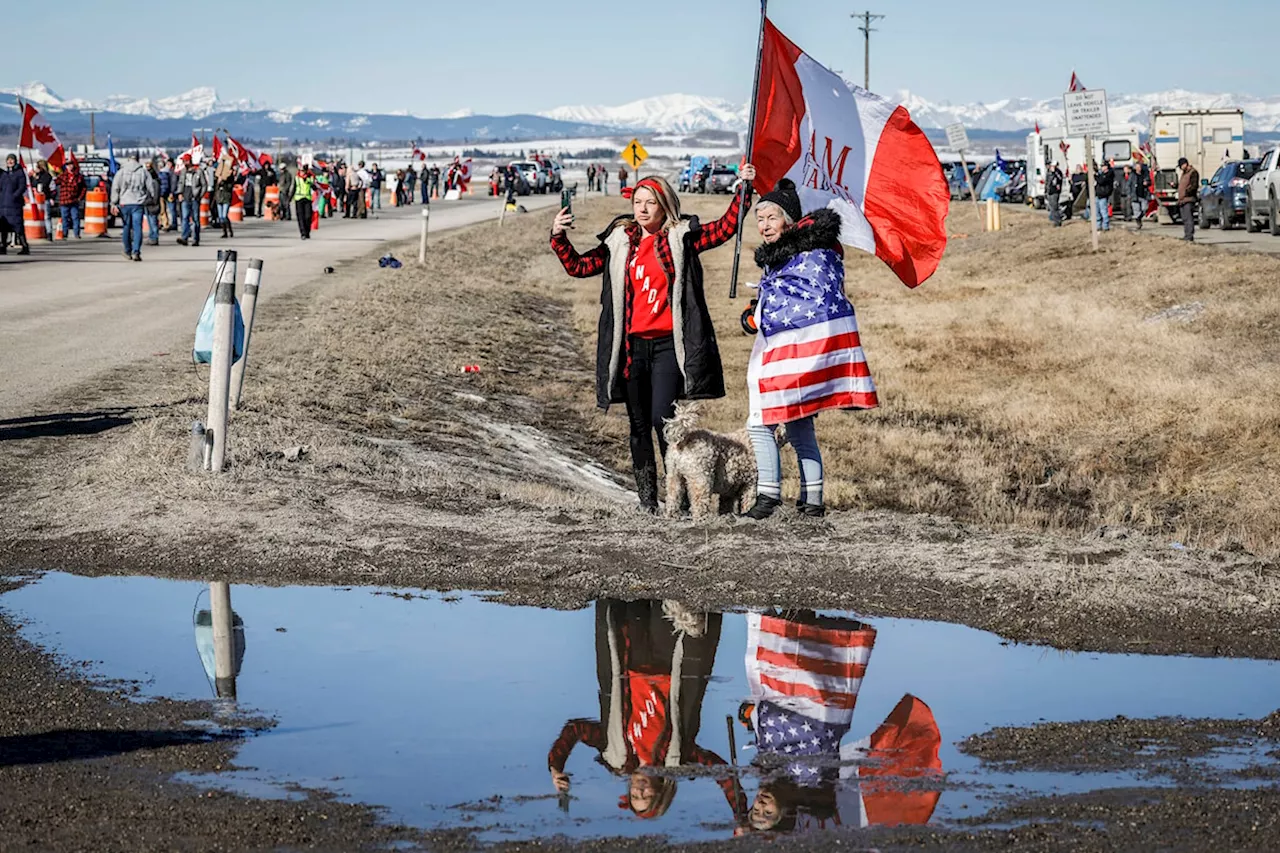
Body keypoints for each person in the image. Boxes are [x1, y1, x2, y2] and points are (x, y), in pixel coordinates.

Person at [550, 167, 755, 512]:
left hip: (666, 347)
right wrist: (558, 237)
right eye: (637, 202)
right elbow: (580, 267)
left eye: (650, 203)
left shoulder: (680, 238)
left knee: (664, 422)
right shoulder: (620, 243)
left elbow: (724, 229)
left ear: (665, 206)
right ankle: (647, 502)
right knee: (638, 425)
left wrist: (744, 192)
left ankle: (680, 499)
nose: (642, 209)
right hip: (631, 348)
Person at [740, 179, 873, 519]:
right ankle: (812, 502)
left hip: (792, 352)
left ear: (789, 219)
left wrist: (758, 315)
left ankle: (767, 497)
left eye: (772, 217)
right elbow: (784, 299)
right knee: (800, 427)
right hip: (794, 350)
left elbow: (803, 301)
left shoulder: (805, 258)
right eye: (759, 218)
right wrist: (756, 312)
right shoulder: (796, 256)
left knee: (760, 421)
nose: (765, 225)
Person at [547, 599, 744, 823]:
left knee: (633, 596)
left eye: (634, 795)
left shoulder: (614, 754)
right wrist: (740, 814)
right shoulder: (677, 760)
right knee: (668, 601)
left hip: (632, 658)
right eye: (646, 796)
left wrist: (556, 765)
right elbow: (722, 773)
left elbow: (575, 729)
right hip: (671, 663)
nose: (639, 791)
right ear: (660, 792)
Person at [110, 153, 156, 261]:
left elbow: (115, 188)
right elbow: (151, 187)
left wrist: (113, 203)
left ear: (128, 160)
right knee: (137, 228)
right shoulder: (143, 172)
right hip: (138, 203)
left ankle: (127, 250)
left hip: (124, 203)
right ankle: (136, 251)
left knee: (126, 227)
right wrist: (151, 199)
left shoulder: (121, 172)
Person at [0, 154, 30, 255]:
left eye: (12, 160)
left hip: (15, 205)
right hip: (3, 204)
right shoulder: (4, 174)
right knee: (3, 227)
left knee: (18, 226)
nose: (10, 162)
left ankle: (24, 246)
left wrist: (14, 196)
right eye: (8, 160)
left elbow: (22, 187)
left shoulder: (19, 173)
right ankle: (3, 246)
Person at [175, 154, 207, 246]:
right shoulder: (183, 171)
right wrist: (180, 193)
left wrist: (199, 195)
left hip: (194, 197)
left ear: (189, 161)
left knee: (195, 219)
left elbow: (204, 185)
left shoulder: (198, 171)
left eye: (185, 161)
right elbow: (180, 183)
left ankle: (196, 239)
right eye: (183, 161)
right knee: (185, 218)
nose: (184, 163)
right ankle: (184, 237)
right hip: (185, 197)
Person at [55, 158, 86, 239]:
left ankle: (77, 234)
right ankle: (65, 234)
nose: (70, 166)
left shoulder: (78, 176)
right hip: (64, 200)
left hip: (74, 200)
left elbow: (83, 188)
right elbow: (53, 183)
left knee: (75, 217)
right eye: (68, 165)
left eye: (71, 164)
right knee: (64, 217)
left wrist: (80, 197)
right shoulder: (62, 176)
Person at [213, 154, 236, 239]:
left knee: (224, 215)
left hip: (226, 197)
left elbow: (230, 187)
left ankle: (229, 230)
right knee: (220, 217)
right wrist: (218, 181)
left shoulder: (230, 178)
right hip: (219, 197)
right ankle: (224, 231)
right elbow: (215, 187)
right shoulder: (218, 177)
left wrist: (225, 180)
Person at [1177, 157, 1199, 241]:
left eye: (1181, 165)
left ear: (1185, 164)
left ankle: (1189, 236)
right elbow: (1182, 185)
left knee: (1189, 218)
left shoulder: (1193, 173)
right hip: (1182, 200)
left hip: (1188, 199)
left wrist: (1186, 193)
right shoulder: (1184, 174)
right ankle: (1186, 235)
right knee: (1185, 219)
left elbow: (1194, 186)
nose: (1180, 168)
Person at [33, 160, 54, 239]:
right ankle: (40, 232)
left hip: (45, 199)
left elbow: (49, 187)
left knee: (46, 217)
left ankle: (49, 233)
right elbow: (32, 185)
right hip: (36, 199)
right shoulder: (35, 176)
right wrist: (35, 178)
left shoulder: (47, 176)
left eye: (38, 167)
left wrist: (52, 197)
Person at [143, 159, 162, 245]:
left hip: (153, 205)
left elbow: (155, 195)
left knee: (153, 222)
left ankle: (154, 238)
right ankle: (151, 237)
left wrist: (150, 201)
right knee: (150, 223)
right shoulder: (147, 181)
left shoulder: (154, 182)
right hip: (147, 203)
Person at [294, 162, 315, 240]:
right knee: (301, 217)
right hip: (299, 199)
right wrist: (288, 199)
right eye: (301, 170)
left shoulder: (310, 177)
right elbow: (294, 188)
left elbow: (314, 187)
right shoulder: (297, 177)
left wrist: (309, 181)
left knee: (308, 216)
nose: (302, 172)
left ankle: (307, 231)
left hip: (307, 198)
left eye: (304, 171)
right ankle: (303, 233)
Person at [1094, 161, 1114, 232]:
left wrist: (1096, 176)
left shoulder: (1109, 174)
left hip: (1103, 195)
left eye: (1103, 166)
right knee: (1097, 212)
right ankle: (1098, 226)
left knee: (1103, 211)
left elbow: (1101, 181)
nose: (1102, 168)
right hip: (1097, 194)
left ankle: (1105, 226)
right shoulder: (1101, 174)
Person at [1132, 157, 1150, 229]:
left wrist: (1147, 183)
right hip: (1135, 195)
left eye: (1139, 167)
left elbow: (1150, 182)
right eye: (1137, 167)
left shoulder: (1145, 174)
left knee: (1144, 209)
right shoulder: (1132, 175)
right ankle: (1138, 223)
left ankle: (1140, 217)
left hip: (1143, 195)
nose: (1138, 168)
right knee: (1136, 210)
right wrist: (1130, 194)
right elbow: (1128, 185)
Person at [1045, 162, 1063, 227]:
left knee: (1055, 206)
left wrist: (1054, 172)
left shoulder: (1058, 172)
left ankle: (1058, 221)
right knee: (1051, 207)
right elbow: (1047, 182)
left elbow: (1059, 179)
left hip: (1055, 192)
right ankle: (1054, 219)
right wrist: (1046, 191)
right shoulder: (1048, 173)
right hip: (1050, 191)